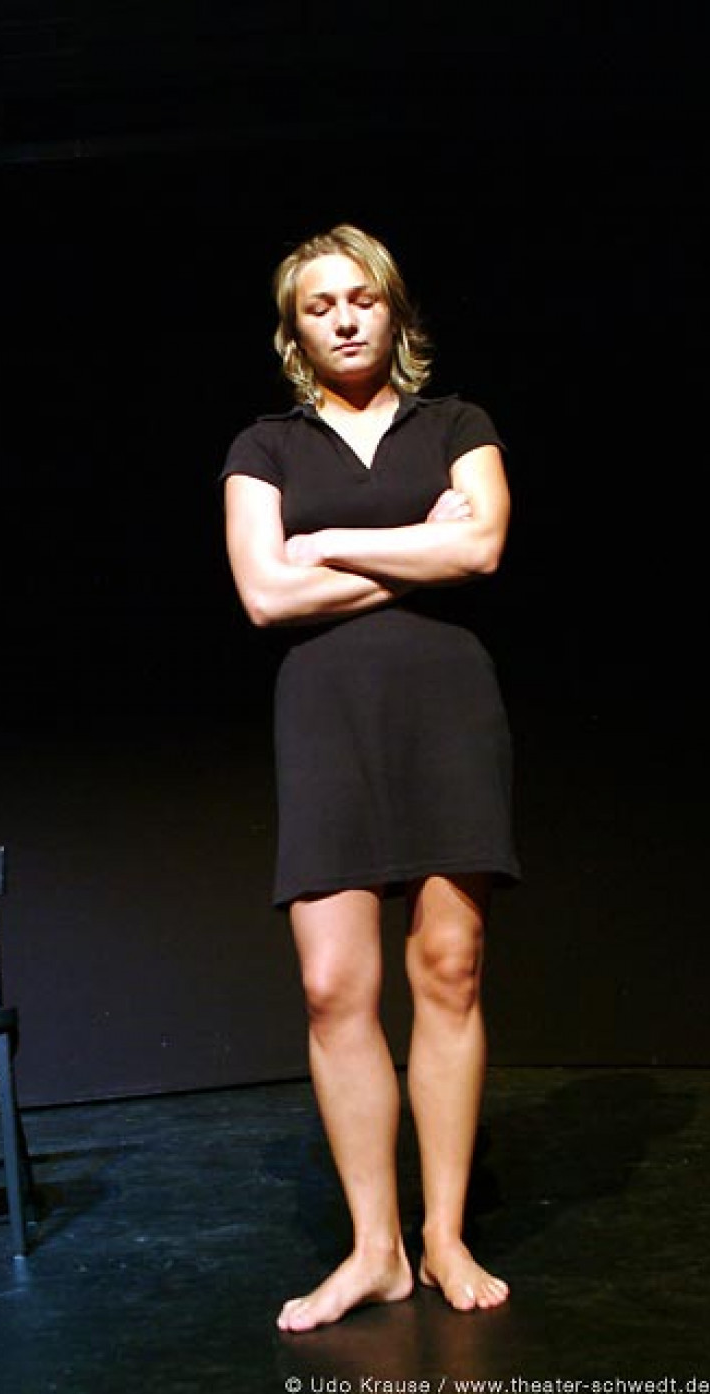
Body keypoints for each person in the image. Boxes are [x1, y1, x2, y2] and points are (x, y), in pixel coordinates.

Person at [220, 223, 519, 1333]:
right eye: (320, 306)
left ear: (393, 310)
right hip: (325, 716)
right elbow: (265, 595)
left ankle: (443, 1235)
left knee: (449, 967)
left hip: (446, 709)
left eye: (362, 299)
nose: (344, 320)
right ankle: (375, 1249)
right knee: (333, 985)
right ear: (294, 331)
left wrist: (327, 547)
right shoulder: (263, 447)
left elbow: (481, 549)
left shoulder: (458, 426)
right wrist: (409, 549)